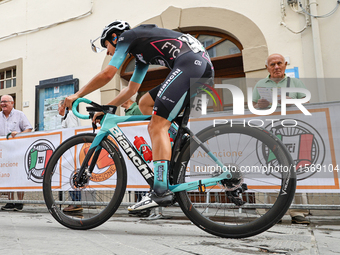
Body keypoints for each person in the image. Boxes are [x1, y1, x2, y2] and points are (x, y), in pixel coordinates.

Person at [64, 20, 214, 213]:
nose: (109, 52)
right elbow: (131, 90)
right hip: (200, 68)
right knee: (144, 103)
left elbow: (108, 74)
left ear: (114, 37)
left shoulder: (128, 36)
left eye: (107, 46)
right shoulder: (141, 53)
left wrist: (78, 95)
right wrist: (108, 107)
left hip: (190, 65)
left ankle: (160, 190)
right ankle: (179, 142)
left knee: (156, 126)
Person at [252, 53, 310, 224]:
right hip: (270, 132)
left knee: (296, 170)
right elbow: (253, 106)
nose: (276, 67)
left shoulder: (296, 83)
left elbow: (308, 103)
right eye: (272, 64)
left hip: (293, 132)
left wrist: (294, 102)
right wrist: (259, 105)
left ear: (285, 65)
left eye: (279, 63)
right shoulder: (260, 84)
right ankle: (273, 212)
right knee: (272, 170)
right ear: (267, 67)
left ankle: (298, 213)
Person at [0, 95, 33, 211]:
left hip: (18, 151)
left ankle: (19, 202)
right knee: (7, 175)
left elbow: (29, 129)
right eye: (1, 102)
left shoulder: (20, 114)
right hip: (4, 153)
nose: (3, 104)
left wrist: (18, 134)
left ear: (12, 103)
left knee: (19, 176)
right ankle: (9, 202)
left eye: (5, 102)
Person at [57, 99, 82, 212]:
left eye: (59, 106)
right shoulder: (66, 117)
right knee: (71, 175)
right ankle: (75, 202)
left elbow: (72, 132)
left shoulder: (70, 115)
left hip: (72, 150)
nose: (58, 109)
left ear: (64, 107)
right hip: (70, 150)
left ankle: (76, 203)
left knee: (73, 175)